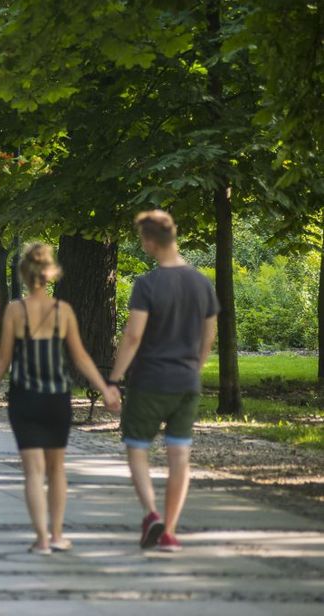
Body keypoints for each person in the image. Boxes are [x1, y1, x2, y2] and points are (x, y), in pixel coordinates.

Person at [0, 243, 120, 554]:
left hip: (25, 398)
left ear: (24, 273)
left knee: (33, 471)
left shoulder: (16, 311)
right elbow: (82, 359)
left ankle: (42, 540)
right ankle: (58, 534)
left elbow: (4, 358)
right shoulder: (64, 311)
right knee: (57, 469)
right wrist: (105, 387)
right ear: (50, 273)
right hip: (57, 399)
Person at [108, 210, 218, 553]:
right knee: (179, 456)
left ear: (152, 241)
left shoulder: (148, 284)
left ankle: (152, 514)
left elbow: (133, 336)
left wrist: (114, 378)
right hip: (187, 382)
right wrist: (194, 370)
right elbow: (208, 337)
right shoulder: (202, 283)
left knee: (138, 448)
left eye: (143, 239)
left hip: (150, 381)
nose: (143, 244)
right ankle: (169, 531)